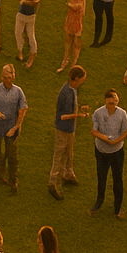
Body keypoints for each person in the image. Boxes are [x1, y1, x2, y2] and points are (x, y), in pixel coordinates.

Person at [0, 63, 28, 192]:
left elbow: (23, 109)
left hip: (11, 130)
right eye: (4, 77)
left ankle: (13, 179)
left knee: (12, 155)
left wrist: (16, 127)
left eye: (8, 77)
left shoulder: (18, 91)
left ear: (13, 77)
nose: (6, 80)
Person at [48, 65, 88, 200]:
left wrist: (79, 108)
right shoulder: (66, 94)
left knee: (69, 152)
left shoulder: (72, 89)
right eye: (82, 79)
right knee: (59, 154)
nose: (83, 81)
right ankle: (52, 183)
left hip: (70, 128)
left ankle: (68, 174)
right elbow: (63, 116)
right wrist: (79, 116)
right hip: (63, 129)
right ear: (76, 78)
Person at [89, 88, 127, 217]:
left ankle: (118, 207)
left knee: (118, 179)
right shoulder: (98, 113)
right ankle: (99, 201)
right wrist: (105, 139)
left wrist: (116, 141)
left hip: (117, 151)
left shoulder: (122, 114)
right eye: (108, 103)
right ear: (105, 102)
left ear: (117, 102)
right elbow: (94, 131)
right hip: (101, 150)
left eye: (113, 103)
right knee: (101, 177)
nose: (111, 105)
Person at [59, 0, 85, 74]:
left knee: (75, 40)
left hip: (76, 18)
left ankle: (74, 62)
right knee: (67, 38)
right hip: (70, 16)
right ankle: (65, 59)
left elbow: (80, 5)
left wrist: (71, 5)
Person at [14, 0, 42, 67]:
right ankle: (20, 51)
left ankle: (32, 55)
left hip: (30, 16)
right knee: (18, 33)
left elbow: (36, 2)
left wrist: (25, 1)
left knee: (31, 36)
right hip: (21, 13)